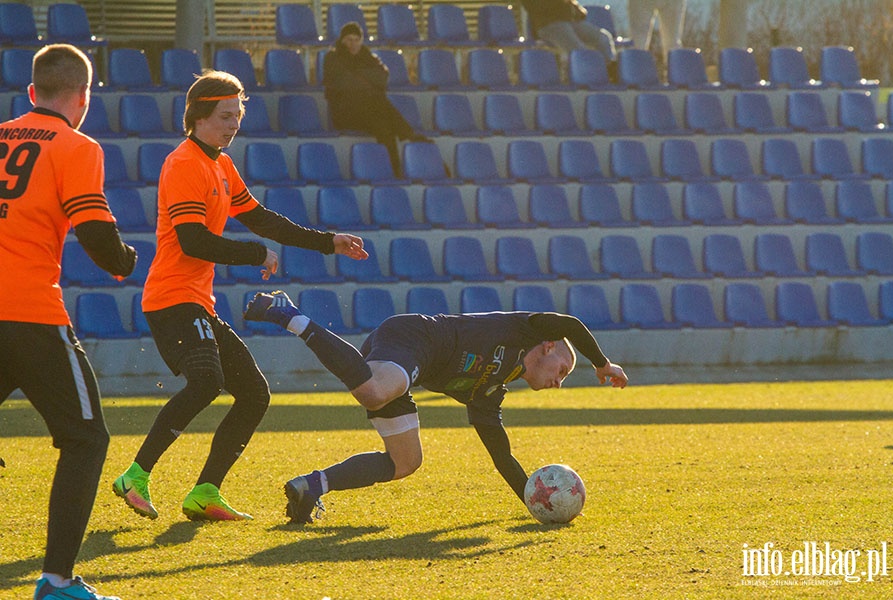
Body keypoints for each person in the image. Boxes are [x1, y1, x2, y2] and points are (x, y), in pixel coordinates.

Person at [112, 70, 368, 523]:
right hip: (171, 298)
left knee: (253, 393)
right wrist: (255, 253)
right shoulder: (183, 163)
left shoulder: (221, 164)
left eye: (238, 115)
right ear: (198, 117)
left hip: (196, 301)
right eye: (226, 116)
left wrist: (329, 241)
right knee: (207, 382)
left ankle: (205, 492)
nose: (234, 124)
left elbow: (264, 220)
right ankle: (136, 474)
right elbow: (192, 241)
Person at [243, 291, 628, 524]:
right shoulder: (524, 329)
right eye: (561, 370)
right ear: (546, 346)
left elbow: (500, 453)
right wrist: (601, 364)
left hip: (405, 368)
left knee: (405, 462)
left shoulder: (492, 389)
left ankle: (310, 487)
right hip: (414, 338)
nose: (558, 382)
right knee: (377, 391)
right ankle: (288, 313)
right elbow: (572, 324)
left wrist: (535, 500)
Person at [0, 44, 136, 600]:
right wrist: (125, 261)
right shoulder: (76, 145)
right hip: (30, 312)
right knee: (85, 438)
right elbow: (97, 237)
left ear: (32, 92)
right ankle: (57, 582)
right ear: (83, 97)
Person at [323, 21, 430, 177]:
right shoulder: (333, 58)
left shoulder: (368, 56)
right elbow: (345, 83)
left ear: (361, 41)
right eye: (349, 40)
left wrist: (359, 76)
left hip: (368, 113)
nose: (353, 44)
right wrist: (367, 80)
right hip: (345, 113)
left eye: (356, 39)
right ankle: (408, 133)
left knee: (384, 127)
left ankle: (394, 172)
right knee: (375, 99)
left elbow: (382, 78)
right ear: (342, 41)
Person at [520, 0, 618, 79]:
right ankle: (589, 76)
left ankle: (609, 70)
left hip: (570, 22)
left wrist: (577, 10)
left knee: (603, 38)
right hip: (548, 25)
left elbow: (581, 14)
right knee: (579, 49)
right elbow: (538, 8)